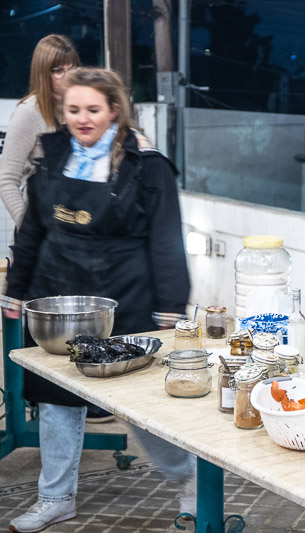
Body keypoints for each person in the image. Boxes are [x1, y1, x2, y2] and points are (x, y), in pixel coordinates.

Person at [1, 68, 195, 533]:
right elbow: (31, 232)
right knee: (55, 399)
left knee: (142, 408)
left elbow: (167, 243)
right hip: (58, 297)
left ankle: (191, 484)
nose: (82, 119)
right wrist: (17, 291)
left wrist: (169, 311)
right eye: (73, 110)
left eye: (93, 109)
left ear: (113, 111)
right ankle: (55, 499)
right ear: (62, 113)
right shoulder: (52, 156)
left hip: (122, 299)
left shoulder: (147, 168)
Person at [0, 35, 79, 228]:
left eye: (72, 68)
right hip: (42, 235)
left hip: (76, 229)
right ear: (43, 74)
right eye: (58, 71)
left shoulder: (81, 109)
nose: (67, 77)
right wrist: (29, 228)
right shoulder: (29, 112)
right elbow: (6, 180)